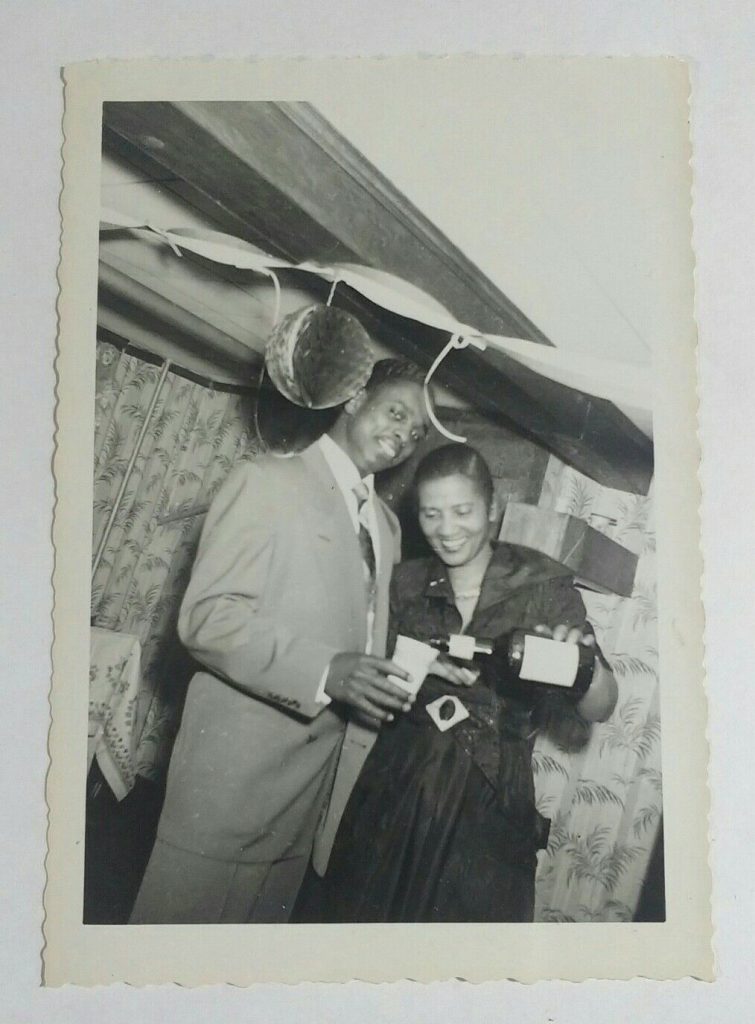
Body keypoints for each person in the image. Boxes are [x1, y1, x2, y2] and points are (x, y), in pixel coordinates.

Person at [129, 358, 430, 923]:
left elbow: (354, 628)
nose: (404, 437)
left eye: (417, 433)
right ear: (354, 397)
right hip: (233, 784)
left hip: (310, 798)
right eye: (397, 413)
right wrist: (325, 672)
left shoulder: (386, 527)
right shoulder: (267, 480)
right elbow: (208, 617)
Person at [297, 443, 618, 923]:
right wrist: (410, 668)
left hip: (492, 796)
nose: (446, 530)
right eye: (431, 515)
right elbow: (361, 678)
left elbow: (603, 705)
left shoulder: (542, 584)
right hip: (399, 779)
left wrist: (581, 666)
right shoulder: (402, 582)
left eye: (462, 511)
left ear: (491, 508)